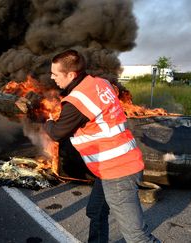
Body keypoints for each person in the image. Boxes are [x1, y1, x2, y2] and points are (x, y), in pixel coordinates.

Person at [44, 49, 160, 243]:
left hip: (118, 171)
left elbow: (56, 133)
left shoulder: (76, 102)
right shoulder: (100, 83)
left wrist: (47, 122)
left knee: (137, 237)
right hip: (110, 166)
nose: (51, 77)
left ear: (71, 74)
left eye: (55, 74)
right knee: (96, 211)